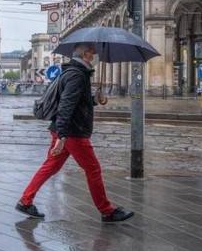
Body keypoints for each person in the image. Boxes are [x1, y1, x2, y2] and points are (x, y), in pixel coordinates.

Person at [16, 43, 134, 223]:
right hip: (73, 132)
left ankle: (25, 201)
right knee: (93, 169)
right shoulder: (77, 75)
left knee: (51, 166)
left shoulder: (75, 72)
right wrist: (62, 137)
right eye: (93, 52)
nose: (95, 55)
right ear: (86, 54)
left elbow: (77, 103)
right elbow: (66, 106)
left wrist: (94, 100)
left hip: (65, 130)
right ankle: (107, 210)